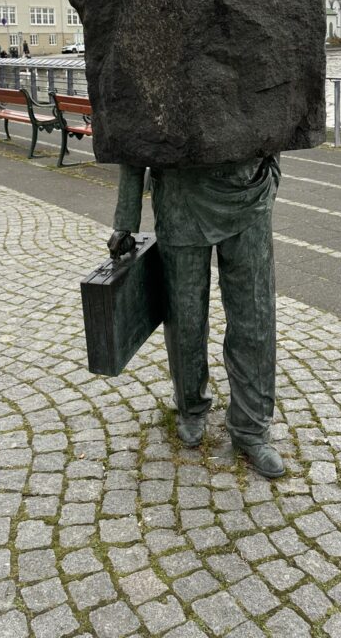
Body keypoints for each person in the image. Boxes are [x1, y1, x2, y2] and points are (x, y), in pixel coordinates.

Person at [109, 156, 284, 478]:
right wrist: (126, 217)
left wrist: (271, 174)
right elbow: (131, 128)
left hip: (248, 191)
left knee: (255, 316)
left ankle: (252, 427)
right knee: (185, 315)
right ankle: (190, 404)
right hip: (180, 195)